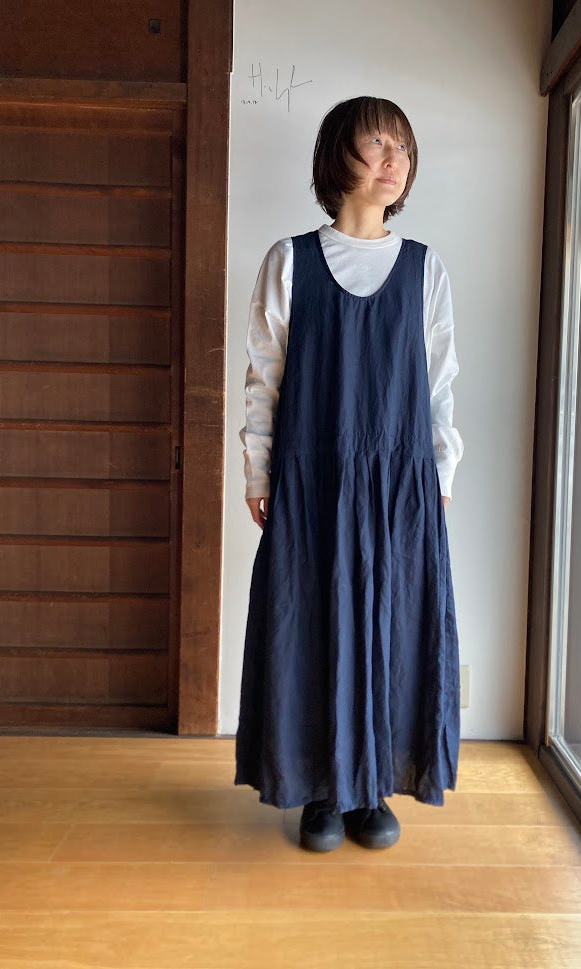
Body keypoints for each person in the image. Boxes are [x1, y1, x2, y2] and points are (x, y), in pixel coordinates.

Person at [234, 96, 464, 853]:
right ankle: (320, 790)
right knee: (309, 624)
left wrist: (441, 473)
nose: (394, 160)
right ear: (339, 155)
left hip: (400, 478)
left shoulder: (424, 267)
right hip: (313, 472)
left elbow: (440, 381)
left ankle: (372, 789)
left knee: (393, 627)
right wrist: (258, 472)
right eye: (377, 143)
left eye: (403, 147)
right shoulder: (290, 259)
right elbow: (263, 377)